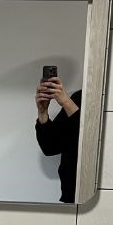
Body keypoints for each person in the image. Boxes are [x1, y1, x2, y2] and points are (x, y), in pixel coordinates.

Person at [35, 75, 82, 203]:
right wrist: (42, 113)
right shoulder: (79, 98)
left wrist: (66, 102)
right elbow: (50, 147)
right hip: (70, 195)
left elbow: (88, 143)